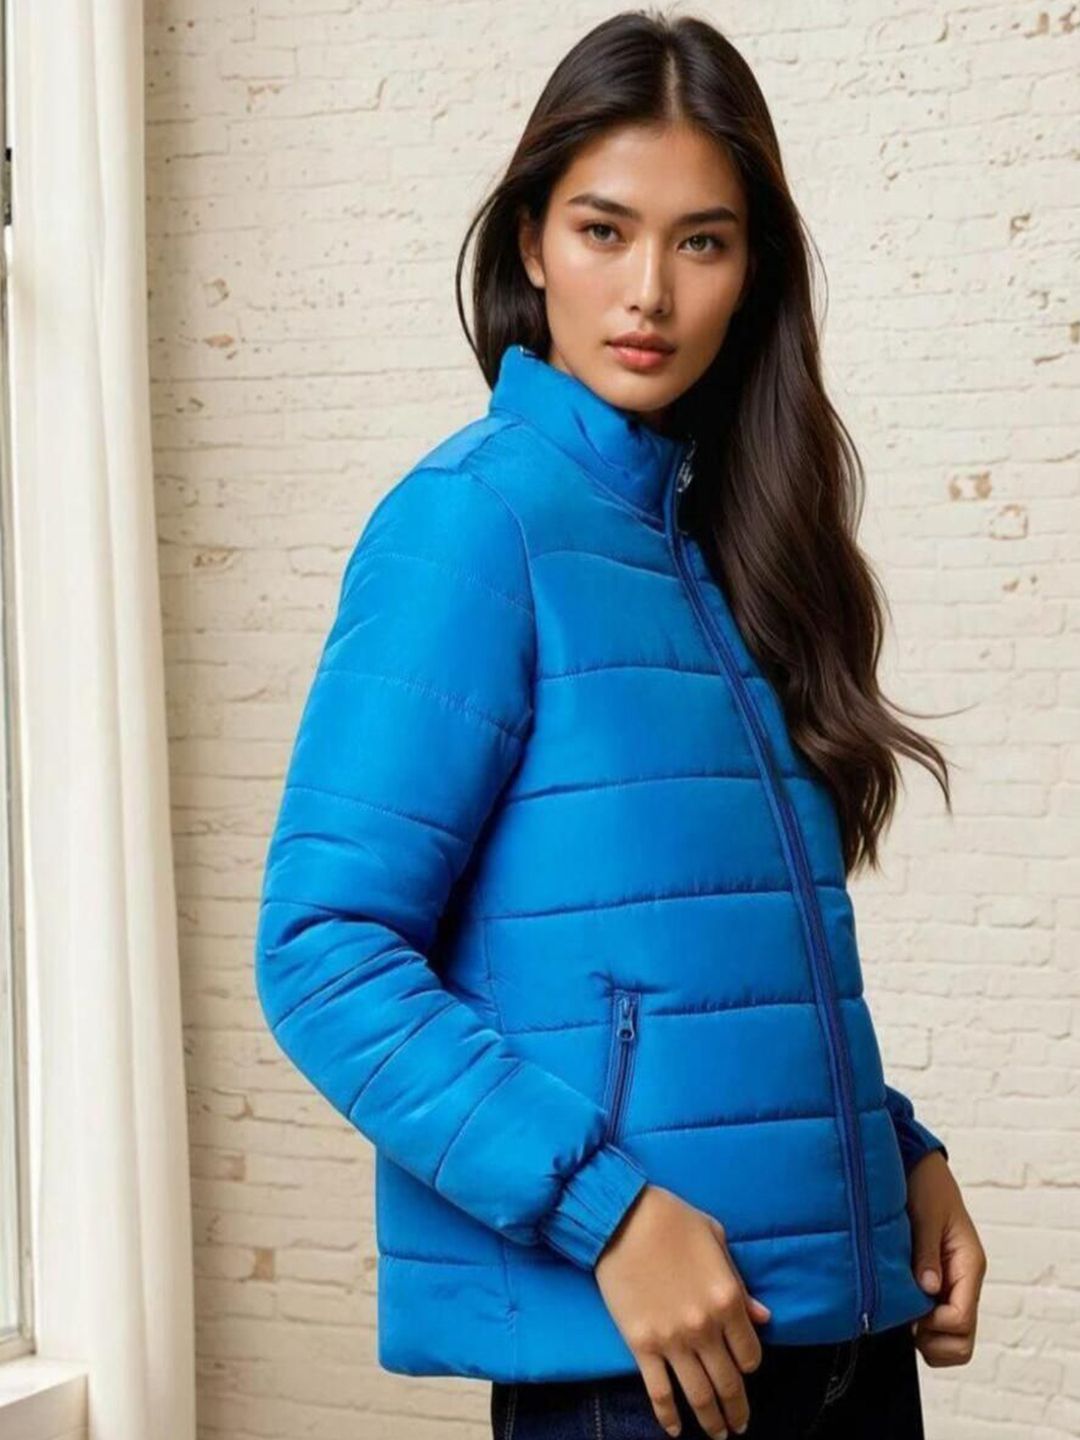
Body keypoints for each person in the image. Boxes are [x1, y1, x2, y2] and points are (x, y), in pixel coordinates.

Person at [254, 10, 988, 1438]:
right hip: (641, 1373)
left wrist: (898, 1151)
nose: (649, 290)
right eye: (604, 230)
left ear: (752, 270)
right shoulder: (475, 522)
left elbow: (721, 961)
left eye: (702, 241)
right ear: (532, 243)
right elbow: (324, 949)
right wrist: (608, 1210)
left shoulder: (728, 544)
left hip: (847, 1341)